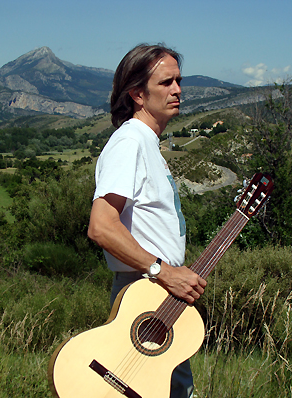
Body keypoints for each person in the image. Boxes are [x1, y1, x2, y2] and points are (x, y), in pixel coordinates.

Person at [87, 43, 207, 398]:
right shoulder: (129, 144)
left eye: (179, 81)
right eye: (166, 82)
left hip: (159, 297)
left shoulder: (147, 144)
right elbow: (102, 226)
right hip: (142, 291)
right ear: (138, 94)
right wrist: (163, 271)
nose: (178, 90)